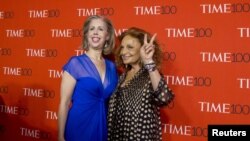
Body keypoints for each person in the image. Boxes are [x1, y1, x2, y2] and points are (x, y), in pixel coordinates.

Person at [58, 15, 118, 141]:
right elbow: (64, 103)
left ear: (107, 36)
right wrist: (60, 136)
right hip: (78, 125)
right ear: (86, 34)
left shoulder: (112, 67)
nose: (95, 32)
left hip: (102, 126)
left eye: (100, 29)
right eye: (92, 29)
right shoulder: (75, 63)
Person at [107, 27, 174, 141]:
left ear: (142, 49)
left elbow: (165, 98)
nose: (123, 52)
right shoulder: (122, 76)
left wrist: (148, 61)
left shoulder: (150, 75)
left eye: (130, 47)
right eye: (122, 47)